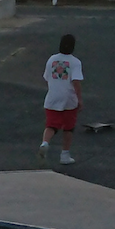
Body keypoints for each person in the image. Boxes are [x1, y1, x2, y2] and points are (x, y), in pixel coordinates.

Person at [39, 34, 84, 165]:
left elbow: (47, 77)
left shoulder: (51, 59)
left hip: (52, 97)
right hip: (69, 99)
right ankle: (65, 154)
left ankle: (45, 142)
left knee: (51, 125)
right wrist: (80, 99)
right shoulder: (75, 62)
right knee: (68, 127)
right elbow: (76, 82)